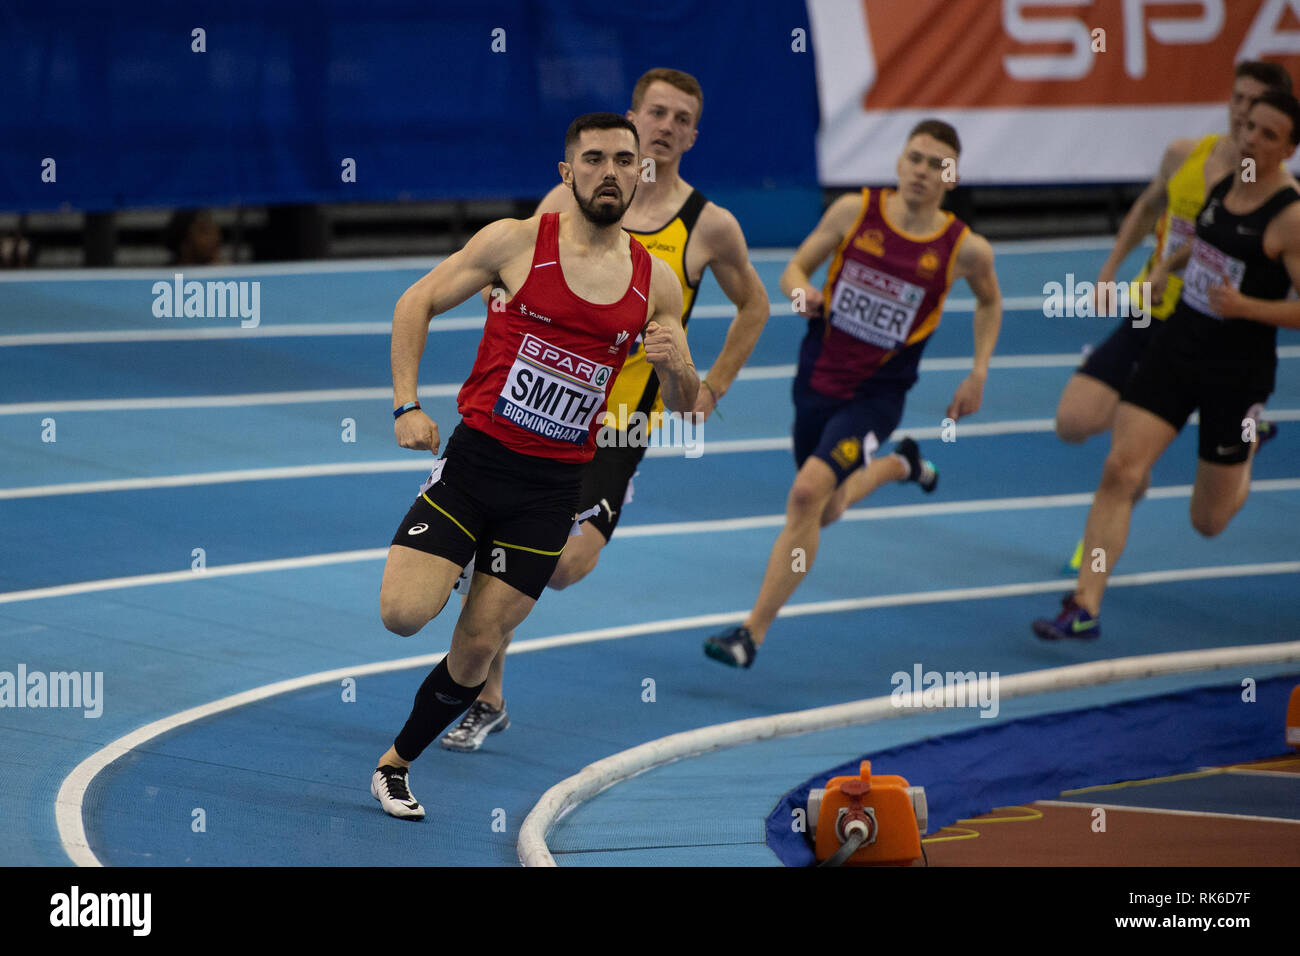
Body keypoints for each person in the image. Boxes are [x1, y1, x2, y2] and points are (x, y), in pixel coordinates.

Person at [370, 113, 698, 819]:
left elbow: (687, 400)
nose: (608, 172)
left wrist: (679, 375)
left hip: (552, 490)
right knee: (401, 615)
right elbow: (415, 301)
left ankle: (396, 764)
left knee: (476, 652)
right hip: (474, 465)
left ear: (641, 173)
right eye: (593, 159)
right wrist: (406, 407)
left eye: (622, 160)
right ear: (566, 173)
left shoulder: (657, 283)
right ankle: (458, 559)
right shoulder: (516, 243)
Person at [440, 68, 770, 751]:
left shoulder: (709, 227)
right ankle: (487, 695)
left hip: (618, 425)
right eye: (657, 113)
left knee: (561, 567)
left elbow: (756, 305)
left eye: (682, 118)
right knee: (509, 543)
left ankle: (484, 593)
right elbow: (510, 269)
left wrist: (712, 385)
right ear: (632, 118)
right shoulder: (569, 196)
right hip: (538, 410)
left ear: (693, 135)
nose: (667, 127)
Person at [703, 119, 1002, 668]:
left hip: (876, 396)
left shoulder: (966, 248)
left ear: (952, 178)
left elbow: (990, 302)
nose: (922, 171)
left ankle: (751, 634)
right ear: (898, 162)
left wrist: (978, 372)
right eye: (915, 158)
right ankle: (901, 466)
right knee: (829, 506)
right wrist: (801, 293)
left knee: (805, 495)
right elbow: (794, 267)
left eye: (937, 164)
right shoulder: (852, 211)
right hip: (816, 379)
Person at [1034, 90, 1300, 642]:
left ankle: (1246, 448)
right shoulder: (1224, 183)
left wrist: (1247, 307)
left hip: (1238, 370)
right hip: (1178, 345)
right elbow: (1205, 242)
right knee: (1119, 470)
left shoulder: (1291, 217)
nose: (1250, 139)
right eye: (1248, 126)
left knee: (1208, 523)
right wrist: (1166, 267)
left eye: (1267, 134)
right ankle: (1084, 605)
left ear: (1290, 148)